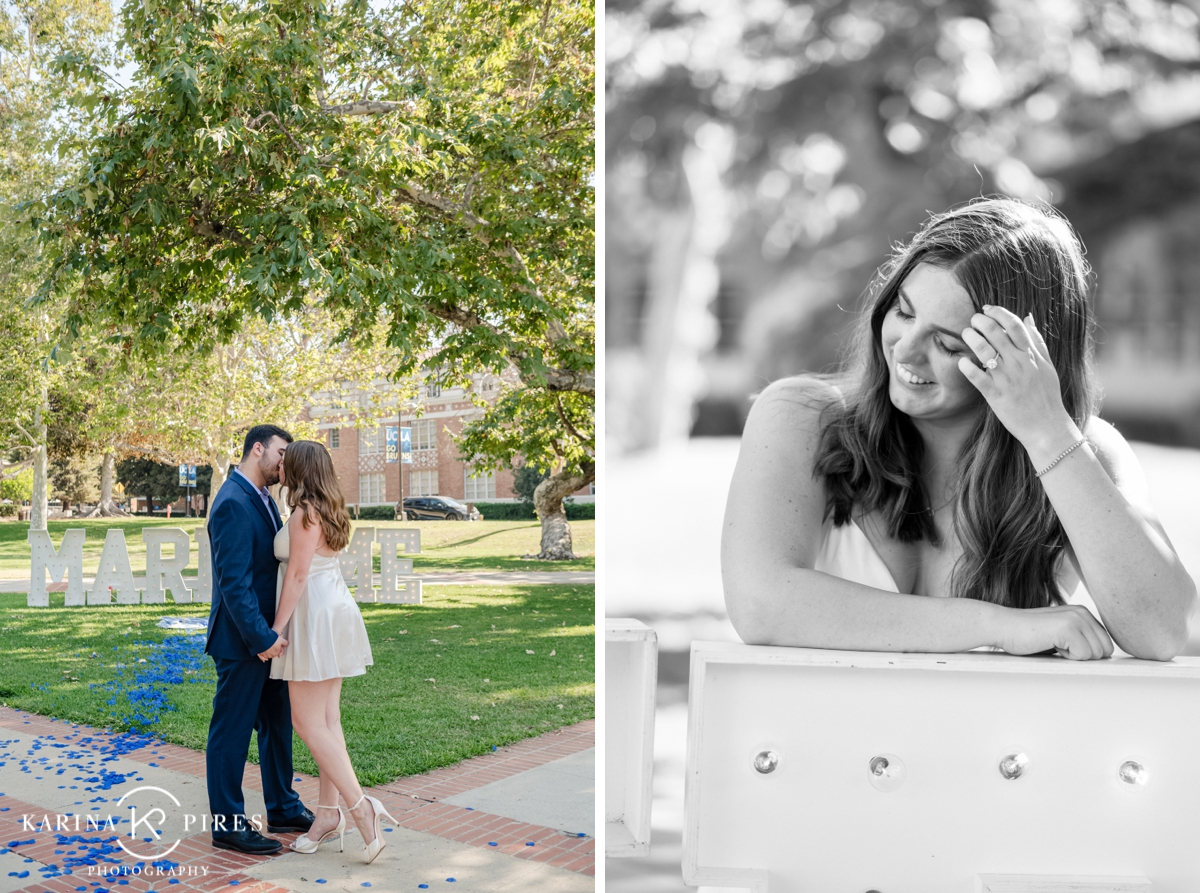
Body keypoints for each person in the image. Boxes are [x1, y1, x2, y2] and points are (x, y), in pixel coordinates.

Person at [722, 198, 1196, 662]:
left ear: (1023, 359)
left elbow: (1163, 633)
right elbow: (761, 604)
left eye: (947, 344)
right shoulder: (800, 417)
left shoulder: (1079, 451)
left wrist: (1048, 432)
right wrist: (997, 625)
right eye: (904, 313)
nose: (905, 352)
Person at [269, 440, 395, 863]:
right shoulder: (329, 507)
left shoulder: (305, 512)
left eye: (286, 462)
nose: (279, 467)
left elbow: (299, 575)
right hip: (334, 608)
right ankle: (327, 815)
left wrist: (275, 629)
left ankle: (362, 809)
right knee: (327, 721)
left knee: (308, 723)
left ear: (301, 469)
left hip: (314, 614)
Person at [205, 424, 312, 854]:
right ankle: (228, 824)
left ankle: (283, 805)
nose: (286, 463)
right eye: (282, 453)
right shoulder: (232, 501)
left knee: (277, 725)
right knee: (231, 732)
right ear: (257, 449)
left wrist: (275, 635)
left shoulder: (264, 498)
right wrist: (261, 638)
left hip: (270, 640)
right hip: (243, 641)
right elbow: (235, 583)